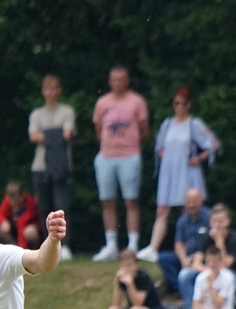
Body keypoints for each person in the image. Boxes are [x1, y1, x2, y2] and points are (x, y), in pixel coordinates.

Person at [141, 87, 219, 263]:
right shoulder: (167, 124)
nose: (179, 107)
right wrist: (165, 156)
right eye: (176, 103)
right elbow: (160, 146)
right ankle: (153, 248)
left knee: (188, 208)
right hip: (169, 171)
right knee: (162, 209)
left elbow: (212, 143)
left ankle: (191, 249)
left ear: (189, 104)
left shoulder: (194, 124)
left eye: (183, 103)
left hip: (187, 170)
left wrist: (199, 158)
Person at [91, 66, 150, 262]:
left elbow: (144, 130)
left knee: (131, 201)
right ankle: (111, 245)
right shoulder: (102, 102)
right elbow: (99, 128)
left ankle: (132, 245)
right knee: (107, 201)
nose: (118, 83)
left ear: (127, 80)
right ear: (110, 82)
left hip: (130, 156)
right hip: (106, 157)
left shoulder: (137, 101)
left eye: (121, 79)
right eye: (114, 79)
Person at [28, 74, 76, 261]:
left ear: (59, 90)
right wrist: (56, 134)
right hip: (40, 166)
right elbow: (33, 137)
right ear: (43, 91)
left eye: (53, 89)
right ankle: (47, 245)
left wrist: (45, 135)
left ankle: (66, 246)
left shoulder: (67, 111)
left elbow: (67, 135)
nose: (50, 93)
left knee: (62, 206)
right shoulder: (36, 114)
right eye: (47, 89)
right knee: (44, 208)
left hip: (61, 165)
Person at [177, 203, 236, 309]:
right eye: (215, 221)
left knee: (227, 276)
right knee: (185, 275)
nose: (217, 225)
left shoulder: (235, 239)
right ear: (210, 222)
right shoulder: (206, 238)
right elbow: (196, 263)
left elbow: (225, 265)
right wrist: (210, 271)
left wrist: (219, 241)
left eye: (221, 221)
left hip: (232, 275)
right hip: (209, 271)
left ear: (228, 221)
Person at [157, 188, 211, 295]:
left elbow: (211, 243)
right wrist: (184, 260)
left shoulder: (209, 218)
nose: (191, 205)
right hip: (187, 257)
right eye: (188, 202)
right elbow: (178, 243)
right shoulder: (182, 220)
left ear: (201, 201)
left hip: (204, 256)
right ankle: (179, 288)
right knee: (164, 258)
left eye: (194, 201)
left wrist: (196, 257)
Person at [0, 181, 41, 249]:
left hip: (28, 227)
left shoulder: (30, 203)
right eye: (9, 197)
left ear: (21, 196)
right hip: (15, 228)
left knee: (30, 232)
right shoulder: (8, 200)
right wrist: (3, 221)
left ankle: (35, 249)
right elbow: (0, 213)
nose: (11, 201)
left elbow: (22, 225)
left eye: (14, 198)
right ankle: (14, 247)